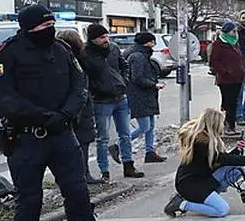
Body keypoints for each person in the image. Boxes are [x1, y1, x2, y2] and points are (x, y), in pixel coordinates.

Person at [0, 4, 120, 221]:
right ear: (28, 28)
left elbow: (79, 85)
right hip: (27, 139)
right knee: (29, 201)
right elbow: (5, 99)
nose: (50, 31)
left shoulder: (62, 51)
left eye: (51, 26)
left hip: (62, 135)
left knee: (79, 194)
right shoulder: (4, 55)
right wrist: (46, 118)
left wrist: (66, 115)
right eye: (43, 27)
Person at [165, 107, 245, 218]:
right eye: (221, 123)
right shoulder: (201, 142)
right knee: (222, 210)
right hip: (190, 185)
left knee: (236, 171)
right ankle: (182, 204)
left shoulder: (208, 138)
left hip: (201, 180)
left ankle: (204, 199)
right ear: (214, 124)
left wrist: (237, 150)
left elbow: (221, 159)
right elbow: (220, 159)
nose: (223, 126)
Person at [80, 23, 143, 181]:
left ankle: (129, 165)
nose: (106, 39)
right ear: (93, 39)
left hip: (120, 97)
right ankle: (104, 171)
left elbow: (124, 65)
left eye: (106, 36)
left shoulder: (113, 48)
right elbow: (85, 76)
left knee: (125, 134)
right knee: (103, 138)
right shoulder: (86, 54)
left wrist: (124, 81)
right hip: (101, 100)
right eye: (102, 37)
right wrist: (95, 90)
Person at [56, 29, 102, 185]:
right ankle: (83, 174)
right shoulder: (80, 60)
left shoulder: (55, 58)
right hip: (80, 106)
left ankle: (73, 175)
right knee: (82, 143)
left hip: (64, 108)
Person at [125, 32, 166, 164]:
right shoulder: (137, 56)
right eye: (152, 42)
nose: (154, 44)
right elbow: (137, 78)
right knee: (144, 126)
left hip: (147, 95)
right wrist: (154, 84)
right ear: (147, 42)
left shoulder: (142, 54)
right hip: (139, 95)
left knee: (151, 126)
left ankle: (150, 152)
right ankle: (119, 146)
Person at [208, 21, 245, 136]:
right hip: (226, 79)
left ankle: (232, 125)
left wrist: (244, 68)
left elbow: (240, 57)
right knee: (227, 102)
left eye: (235, 31)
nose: (235, 33)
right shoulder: (219, 44)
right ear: (226, 32)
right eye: (232, 31)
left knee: (234, 102)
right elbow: (214, 61)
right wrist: (225, 71)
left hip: (238, 78)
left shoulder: (235, 43)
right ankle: (225, 126)